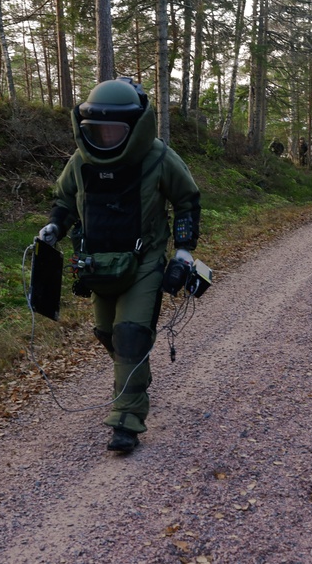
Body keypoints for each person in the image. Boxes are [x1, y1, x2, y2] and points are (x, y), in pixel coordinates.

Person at [38, 77, 202, 453]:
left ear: (135, 126)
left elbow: (187, 200)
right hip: (97, 265)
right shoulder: (80, 162)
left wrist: (184, 252)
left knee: (130, 334)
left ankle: (126, 420)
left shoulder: (158, 157)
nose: (107, 136)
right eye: (100, 129)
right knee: (107, 334)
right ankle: (135, 370)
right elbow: (64, 200)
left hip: (144, 262)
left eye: (115, 129)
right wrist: (53, 227)